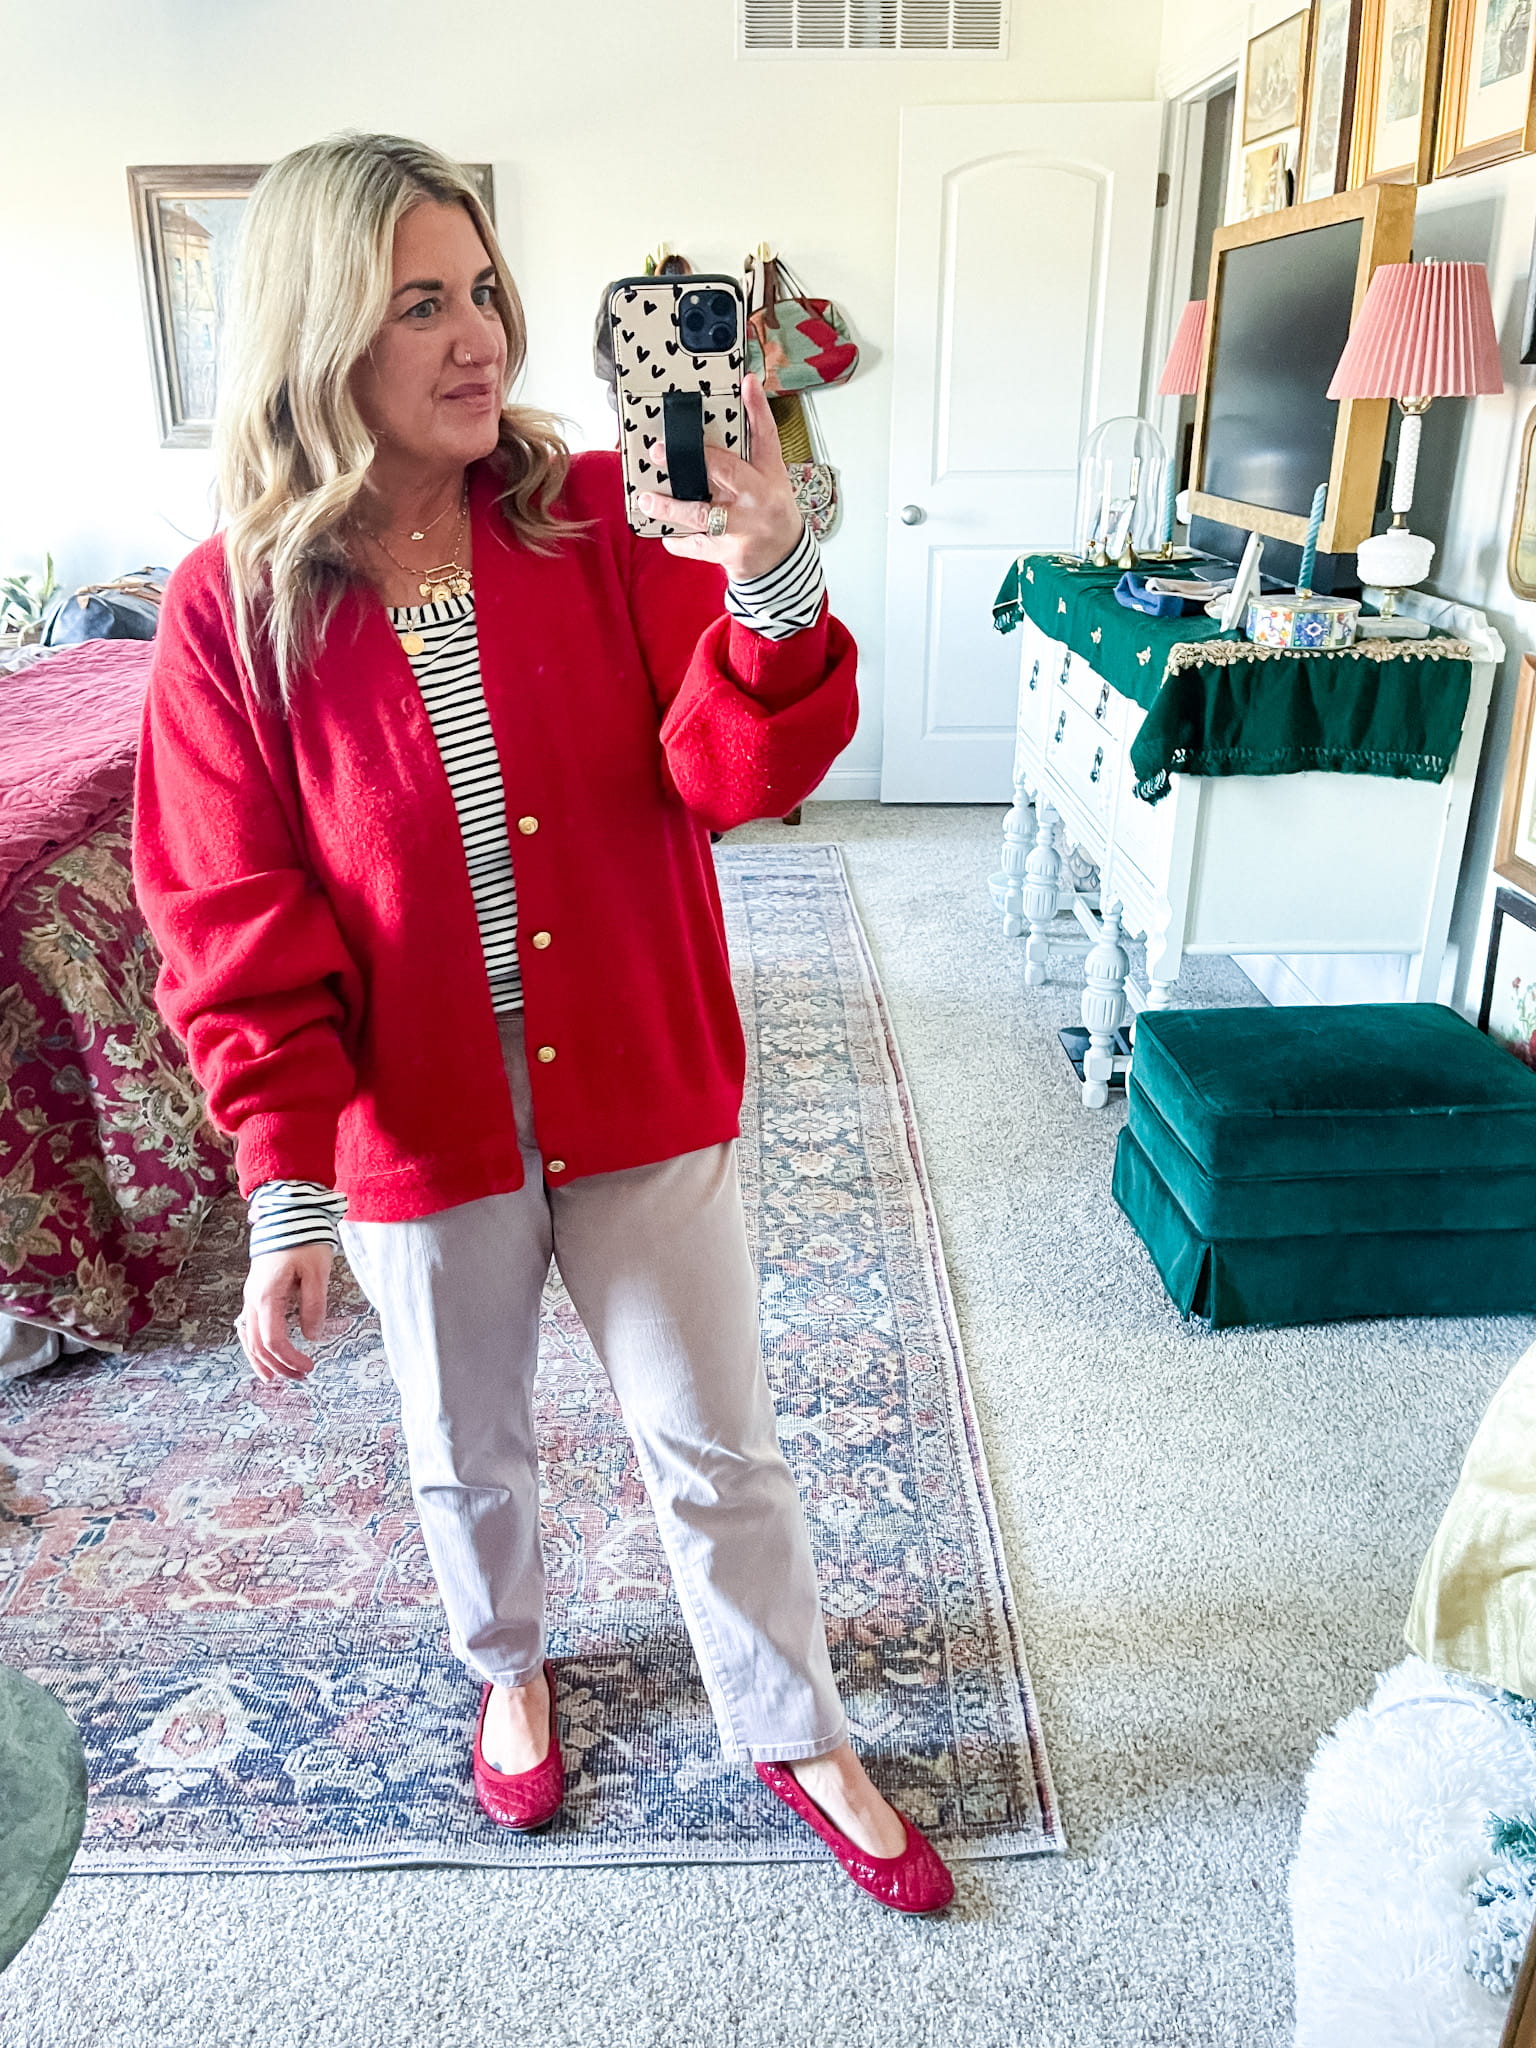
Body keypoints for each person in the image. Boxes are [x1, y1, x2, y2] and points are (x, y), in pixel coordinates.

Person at [131, 131, 953, 1915]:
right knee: (465, 1446)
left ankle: (792, 1716)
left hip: (640, 1072)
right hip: (415, 1118)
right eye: (419, 302)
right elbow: (231, 907)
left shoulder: (586, 520)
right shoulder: (234, 607)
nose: (476, 335)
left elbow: (738, 774)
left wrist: (772, 574)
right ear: (318, 332)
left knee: (710, 1433)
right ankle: (509, 1661)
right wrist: (287, 1186)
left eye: (484, 289)